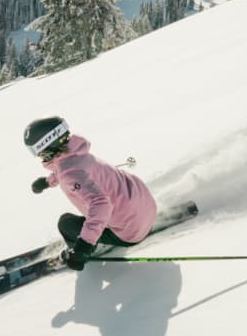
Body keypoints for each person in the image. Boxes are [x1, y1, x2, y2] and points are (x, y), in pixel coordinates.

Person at [24, 116, 157, 271]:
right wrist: (48, 182)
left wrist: (84, 247)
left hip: (130, 232)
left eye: (36, 150)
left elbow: (101, 204)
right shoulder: (78, 153)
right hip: (146, 208)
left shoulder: (68, 173)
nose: (38, 156)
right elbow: (72, 171)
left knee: (66, 224)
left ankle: (85, 252)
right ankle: (92, 240)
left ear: (47, 145)